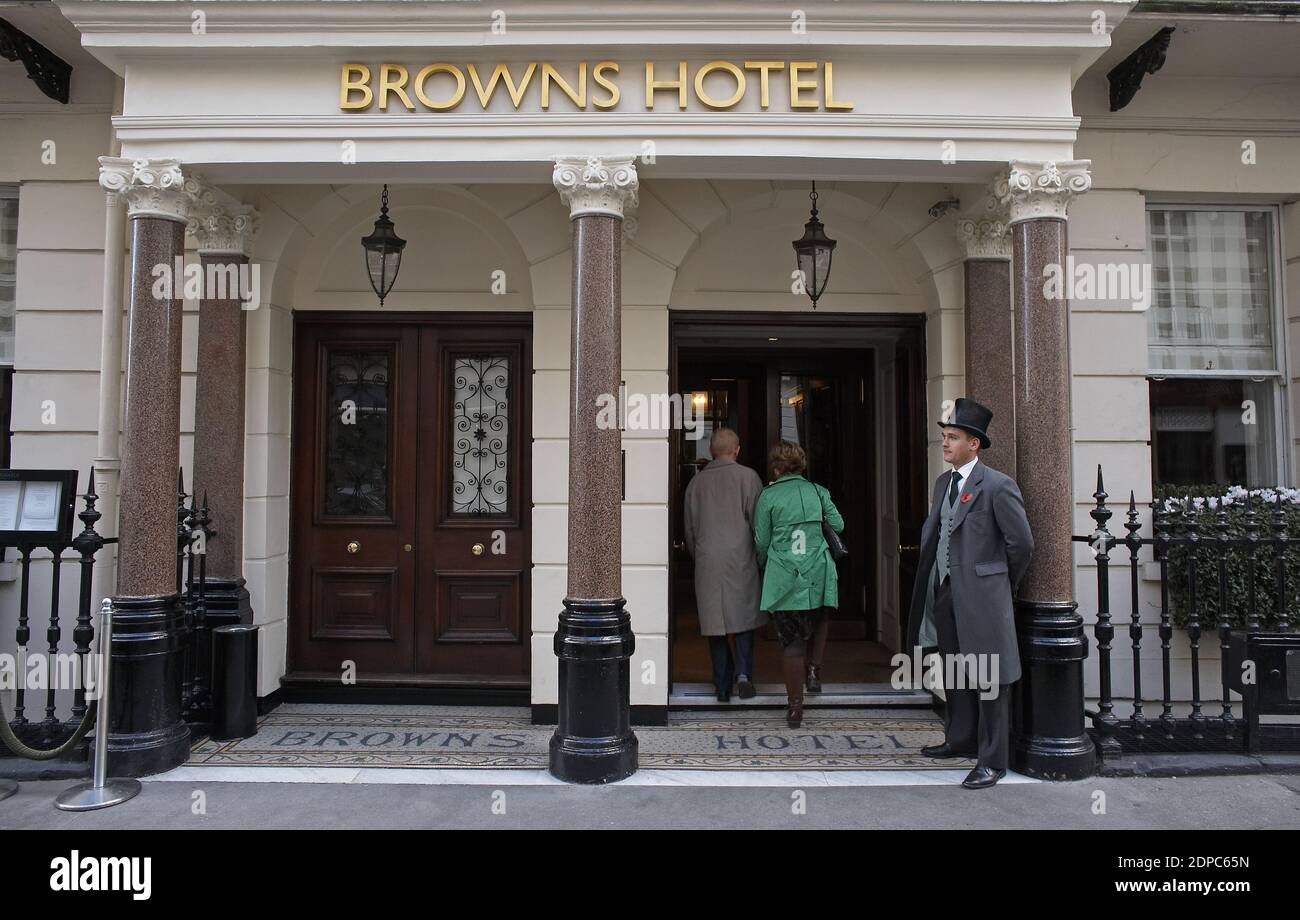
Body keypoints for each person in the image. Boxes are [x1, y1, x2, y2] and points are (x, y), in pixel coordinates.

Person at [905, 398, 1034, 789]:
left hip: (984, 597)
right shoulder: (943, 483)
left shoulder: (997, 486)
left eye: (953, 438)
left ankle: (992, 760)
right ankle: (959, 738)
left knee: (990, 676)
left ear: (974, 444)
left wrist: (997, 583)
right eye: (944, 437)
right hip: (946, 593)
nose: (945, 444)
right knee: (956, 669)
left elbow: (1021, 544)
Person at [753, 441, 844, 727]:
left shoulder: (768, 497)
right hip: (817, 570)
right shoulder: (818, 491)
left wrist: (761, 564)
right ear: (801, 465)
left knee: (791, 642)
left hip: (784, 574)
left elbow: (761, 541)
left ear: (776, 467)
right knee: (819, 619)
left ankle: (795, 707)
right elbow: (838, 525)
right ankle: (814, 670)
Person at [683, 427, 767, 701]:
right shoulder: (748, 477)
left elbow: (690, 529)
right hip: (740, 556)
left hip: (708, 558)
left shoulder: (697, 483)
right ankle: (743, 675)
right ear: (737, 449)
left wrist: (699, 557)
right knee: (743, 618)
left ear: (711, 451)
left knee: (715, 622)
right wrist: (760, 556)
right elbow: (759, 524)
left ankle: (721, 683)